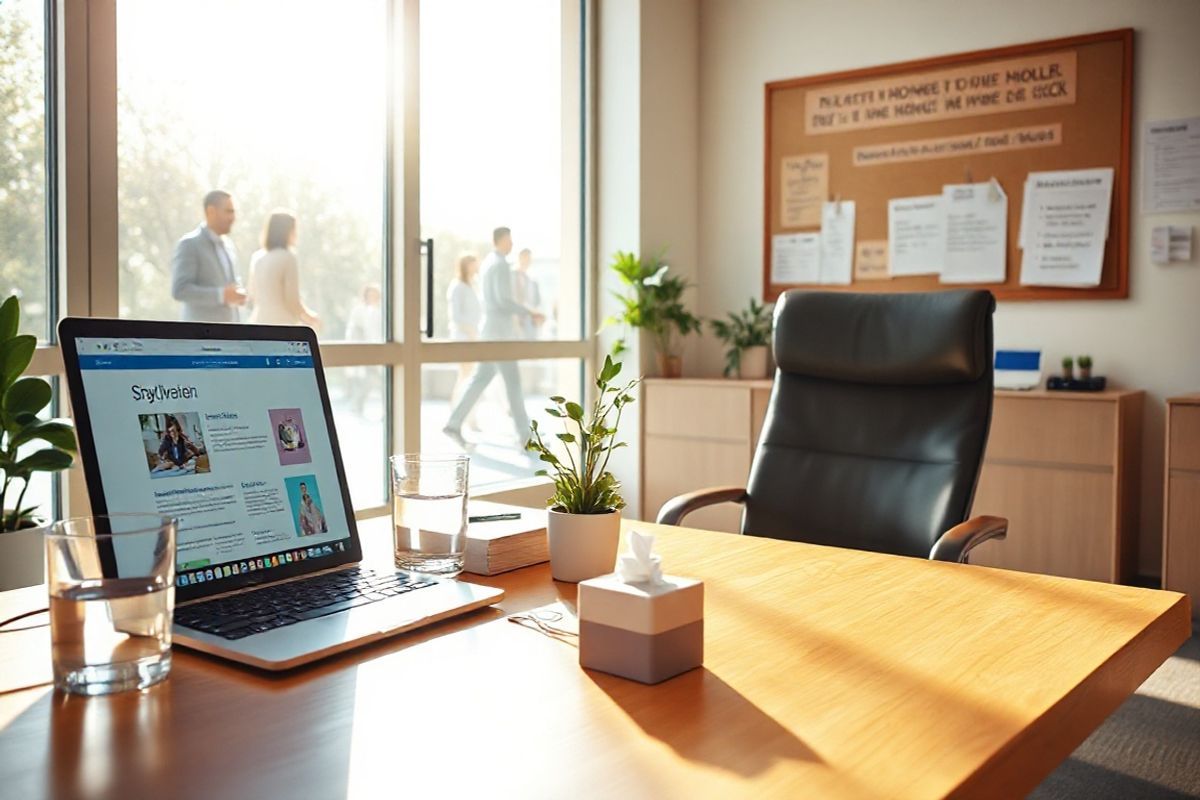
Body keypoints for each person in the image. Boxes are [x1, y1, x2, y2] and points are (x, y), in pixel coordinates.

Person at [442, 227, 544, 449]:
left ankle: (454, 422)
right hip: (500, 334)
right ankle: (525, 435)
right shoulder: (499, 265)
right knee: (513, 383)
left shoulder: (489, 263)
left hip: (491, 330)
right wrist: (530, 312)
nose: (512, 244)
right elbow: (503, 300)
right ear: (500, 240)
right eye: (509, 240)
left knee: (481, 378)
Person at [171, 190, 248, 321]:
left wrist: (239, 296)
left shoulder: (229, 245)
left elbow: (231, 286)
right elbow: (180, 290)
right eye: (228, 211)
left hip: (229, 334)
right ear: (211, 211)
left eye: (233, 212)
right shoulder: (189, 244)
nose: (233, 218)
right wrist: (221, 295)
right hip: (200, 336)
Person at [247, 210, 321, 329]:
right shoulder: (288, 257)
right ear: (287, 232)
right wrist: (311, 318)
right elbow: (292, 301)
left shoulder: (257, 257)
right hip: (282, 325)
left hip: (258, 323)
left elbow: (252, 295)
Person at [512, 248, 542, 340]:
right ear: (519, 258)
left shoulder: (532, 280)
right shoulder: (512, 276)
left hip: (531, 322)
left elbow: (536, 302)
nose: (527, 261)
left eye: (529, 259)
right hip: (517, 321)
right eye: (525, 258)